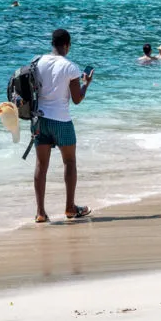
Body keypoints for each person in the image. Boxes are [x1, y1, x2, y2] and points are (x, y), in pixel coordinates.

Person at [33, 28, 93, 223]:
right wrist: (86, 84)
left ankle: (40, 212)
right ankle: (69, 208)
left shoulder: (38, 61)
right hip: (61, 121)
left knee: (41, 165)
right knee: (70, 162)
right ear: (67, 45)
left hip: (40, 120)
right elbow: (77, 99)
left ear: (52, 43)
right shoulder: (70, 67)